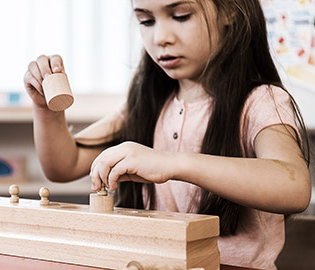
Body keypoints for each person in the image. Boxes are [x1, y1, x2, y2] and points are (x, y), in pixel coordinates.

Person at [23, 0, 311, 269]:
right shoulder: (145, 104)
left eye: (181, 16)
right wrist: (46, 110)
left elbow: (295, 187)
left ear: (230, 11)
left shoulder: (261, 101)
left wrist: (171, 163)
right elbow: (64, 165)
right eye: (146, 21)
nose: (161, 37)